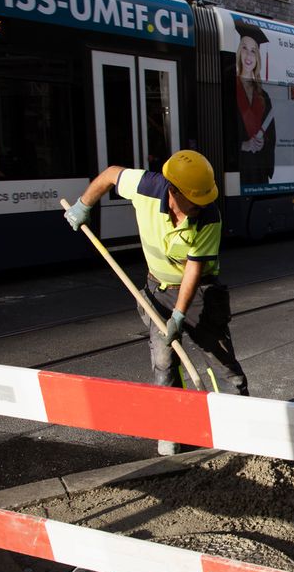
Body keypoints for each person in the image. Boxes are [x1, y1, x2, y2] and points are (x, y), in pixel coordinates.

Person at [64, 150, 249, 455]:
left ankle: (242, 429)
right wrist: (84, 204)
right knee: (164, 364)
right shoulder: (147, 187)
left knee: (222, 362)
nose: (201, 206)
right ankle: (172, 431)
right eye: (194, 201)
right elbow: (110, 174)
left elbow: (193, 270)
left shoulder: (209, 216)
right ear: (173, 191)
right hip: (156, 289)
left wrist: (178, 315)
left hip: (200, 293)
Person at [233, 21, 275, 185]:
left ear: (257, 57)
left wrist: (264, 142)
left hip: (259, 170)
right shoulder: (230, 90)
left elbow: (272, 135)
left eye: (253, 51)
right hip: (239, 169)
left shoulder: (263, 96)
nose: (248, 56)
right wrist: (243, 145)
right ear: (239, 52)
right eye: (244, 48)